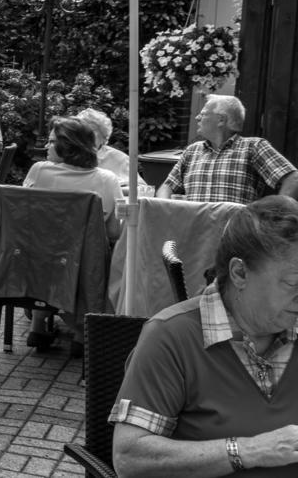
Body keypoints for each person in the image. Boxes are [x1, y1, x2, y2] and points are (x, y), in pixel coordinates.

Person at [110, 195, 298, 477]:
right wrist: (250, 450)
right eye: (292, 283)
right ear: (240, 273)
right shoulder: (172, 336)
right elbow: (130, 458)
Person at [158, 94, 298, 204]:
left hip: (234, 236)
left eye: (203, 114)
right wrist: (166, 208)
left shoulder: (253, 147)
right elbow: (167, 187)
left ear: (221, 120)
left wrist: (278, 216)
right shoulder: (192, 151)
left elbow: (293, 178)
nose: (197, 118)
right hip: (194, 232)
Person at [23, 117, 123, 239]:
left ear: (69, 146)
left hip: (40, 251)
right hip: (87, 255)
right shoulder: (109, 179)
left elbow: (23, 215)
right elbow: (114, 232)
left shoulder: (39, 171)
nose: (46, 145)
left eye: (52, 141)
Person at [76, 107, 147, 192]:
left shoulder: (120, 159)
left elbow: (143, 189)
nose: (85, 135)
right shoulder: (66, 155)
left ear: (103, 137)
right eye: (80, 131)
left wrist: (114, 189)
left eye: (91, 131)